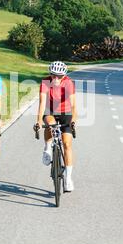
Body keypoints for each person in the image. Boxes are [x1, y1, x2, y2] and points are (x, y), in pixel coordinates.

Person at [34, 61, 77, 192]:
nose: (56, 79)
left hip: (66, 112)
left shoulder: (69, 83)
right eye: (53, 75)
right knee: (50, 125)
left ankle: (68, 178)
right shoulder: (45, 82)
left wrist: (73, 121)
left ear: (64, 76)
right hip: (50, 110)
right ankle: (47, 147)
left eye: (59, 76)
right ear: (50, 74)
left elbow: (74, 105)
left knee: (67, 144)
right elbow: (42, 103)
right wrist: (38, 122)